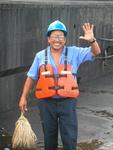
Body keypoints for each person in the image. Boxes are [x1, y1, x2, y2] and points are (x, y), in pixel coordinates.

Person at [19, 20, 101, 150]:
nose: (57, 40)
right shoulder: (40, 56)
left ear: (65, 39)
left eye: (61, 36)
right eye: (54, 36)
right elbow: (31, 77)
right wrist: (23, 97)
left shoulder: (75, 52)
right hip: (46, 103)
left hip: (68, 102)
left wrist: (92, 40)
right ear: (48, 39)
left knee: (69, 137)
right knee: (49, 137)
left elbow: (96, 52)